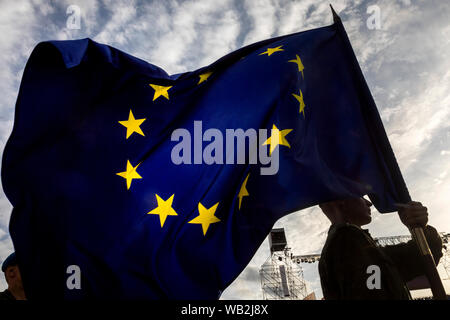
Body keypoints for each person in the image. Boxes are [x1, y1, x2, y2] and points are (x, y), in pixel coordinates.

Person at [318, 197, 443, 300]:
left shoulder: (359, 246)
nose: (369, 203)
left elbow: (418, 259)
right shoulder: (347, 240)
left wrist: (420, 228)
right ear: (341, 201)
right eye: (361, 196)